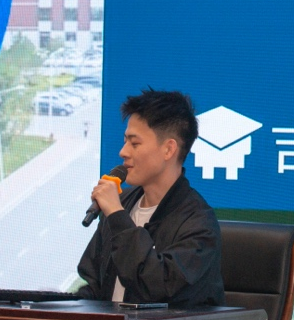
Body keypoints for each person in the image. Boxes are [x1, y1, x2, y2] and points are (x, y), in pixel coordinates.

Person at [75, 89, 224, 308]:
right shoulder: (122, 203)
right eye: (125, 141)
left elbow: (155, 289)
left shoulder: (199, 224)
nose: (123, 152)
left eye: (134, 144)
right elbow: (96, 286)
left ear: (168, 149)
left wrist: (117, 216)